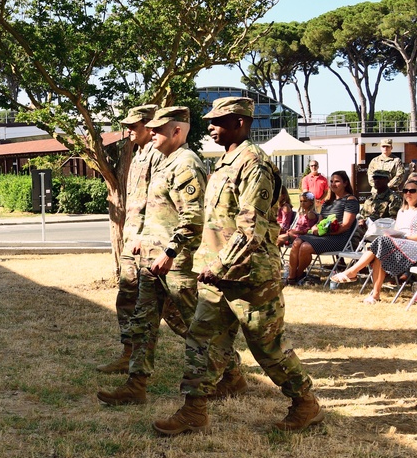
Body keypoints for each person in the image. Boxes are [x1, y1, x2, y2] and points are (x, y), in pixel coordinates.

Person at [152, 97, 324, 436]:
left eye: (220, 121)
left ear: (241, 123)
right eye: (212, 121)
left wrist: (219, 264)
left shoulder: (254, 164)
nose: (212, 126)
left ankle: (305, 402)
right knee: (201, 340)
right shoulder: (224, 162)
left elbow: (251, 229)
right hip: (218, 277)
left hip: (251, 277)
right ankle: (193, 411)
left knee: (268, 347)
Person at [97, 106, 208, 405]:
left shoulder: (186, 163)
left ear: (177, 131)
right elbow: (149, 209)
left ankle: (231, 371)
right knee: (145, 320)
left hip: (174, 260)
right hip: (151, 257)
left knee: (192, 324)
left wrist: (170, 252)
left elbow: (193, 216)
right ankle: (136, 384)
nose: (153, 133)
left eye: (159, 129)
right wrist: (142, 241)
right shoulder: (165, 161)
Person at [96, 104, 160, 374]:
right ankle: (129, 353)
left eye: (135, 125)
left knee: (180, 313)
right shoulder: (139, 154)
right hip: (133, 241)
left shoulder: (160, 156)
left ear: (150, 124)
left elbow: (158, 205)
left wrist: (144, 237)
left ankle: (227, 367)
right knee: (127, 298)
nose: (130, 130)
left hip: (150, 244)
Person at [331, 179, 417, 303]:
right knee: (380, 250)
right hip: (399, 244)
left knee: (382, 243)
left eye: (412, 191)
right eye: (405, 191)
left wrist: (403, 237)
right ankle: (375, 295)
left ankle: (352, 271)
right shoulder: (402, 211)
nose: (408, 194)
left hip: (416, 247)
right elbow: (396, 231)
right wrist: (393, 235)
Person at [285, 171, 359, 284]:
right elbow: (319, 222)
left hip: (339, 238)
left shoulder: (350, 200)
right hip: (322, 235)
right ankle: (291, 277)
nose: (333, 184)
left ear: (345, 183)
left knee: (305, 247)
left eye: (337, 181)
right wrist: (315, 228)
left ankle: (298, 275)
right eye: (332, 181)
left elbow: (345, 226)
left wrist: (323, 232)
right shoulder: (327, 202)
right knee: (297, 242)